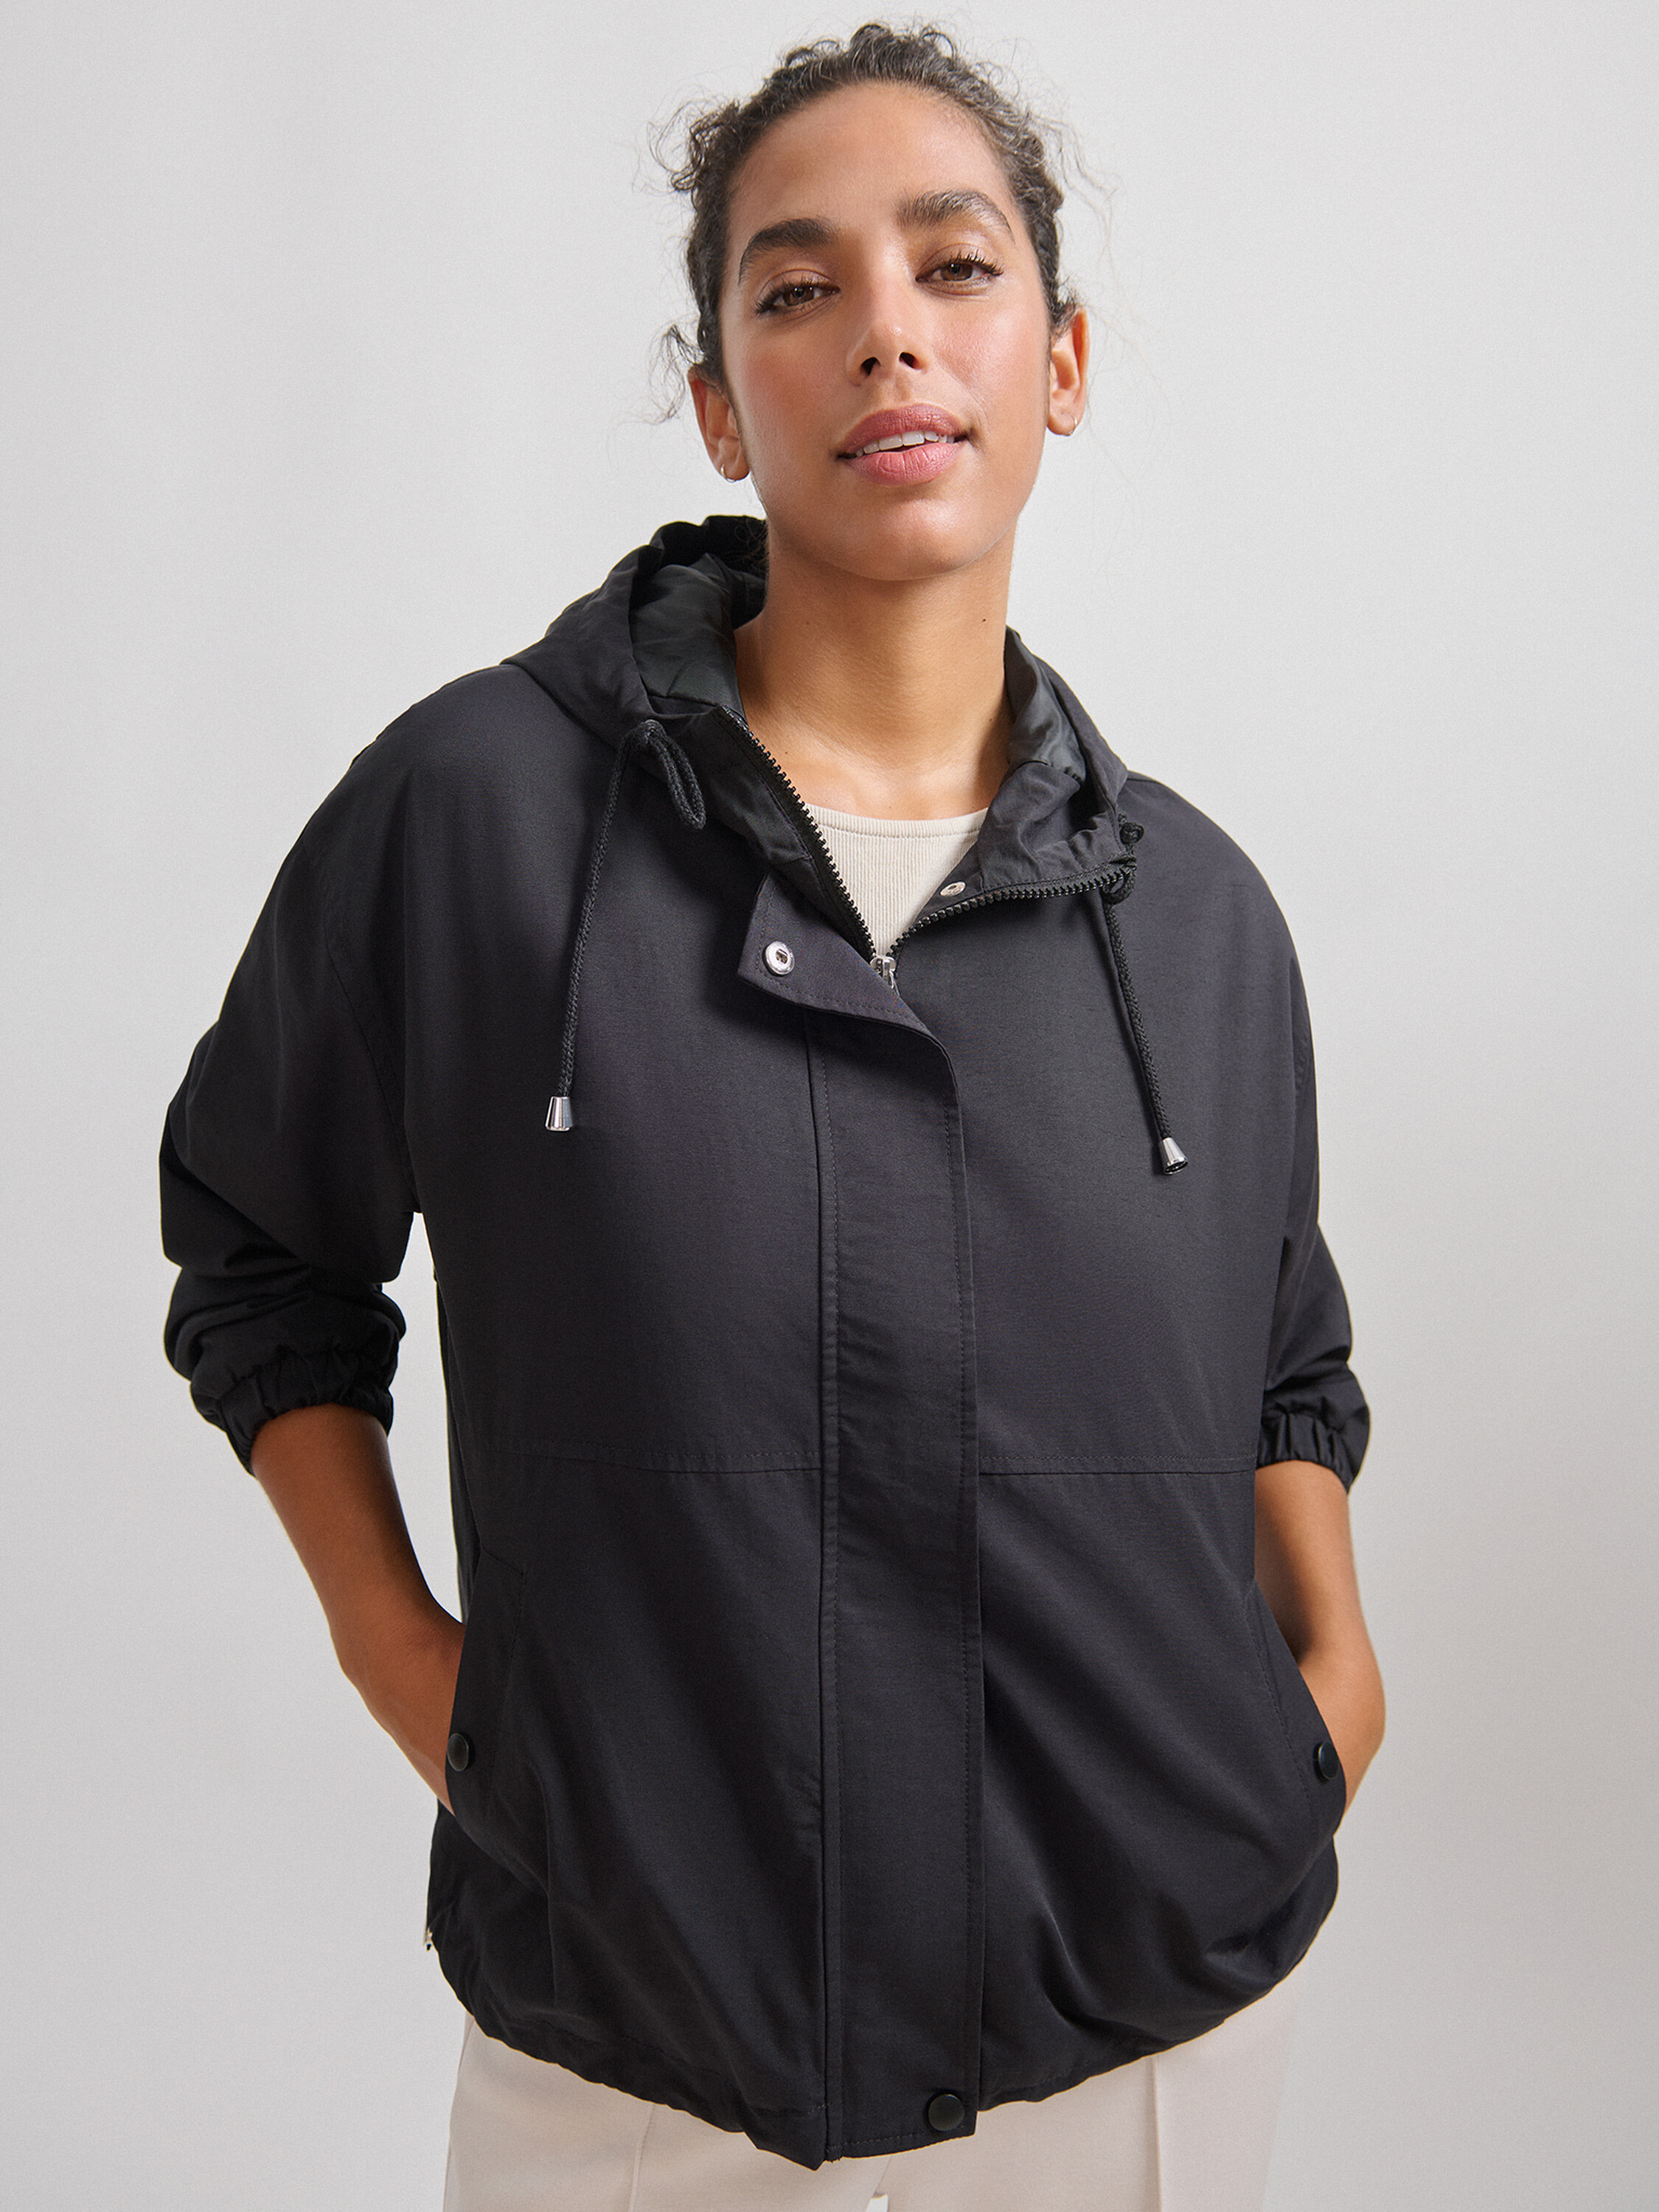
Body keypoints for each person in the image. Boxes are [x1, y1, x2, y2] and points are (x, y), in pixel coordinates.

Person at [160, 22, 1385, 2210]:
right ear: (722, 404)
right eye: (799, 287)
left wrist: (1330, 1693)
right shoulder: (472, 819)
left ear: (1060, 362)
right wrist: (419, 1674)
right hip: (635, 2034)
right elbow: (263, 1251)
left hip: (1145, 2020)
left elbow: (1280, 1354)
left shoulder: (1196, 912)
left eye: (956, 266)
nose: (887, 332)